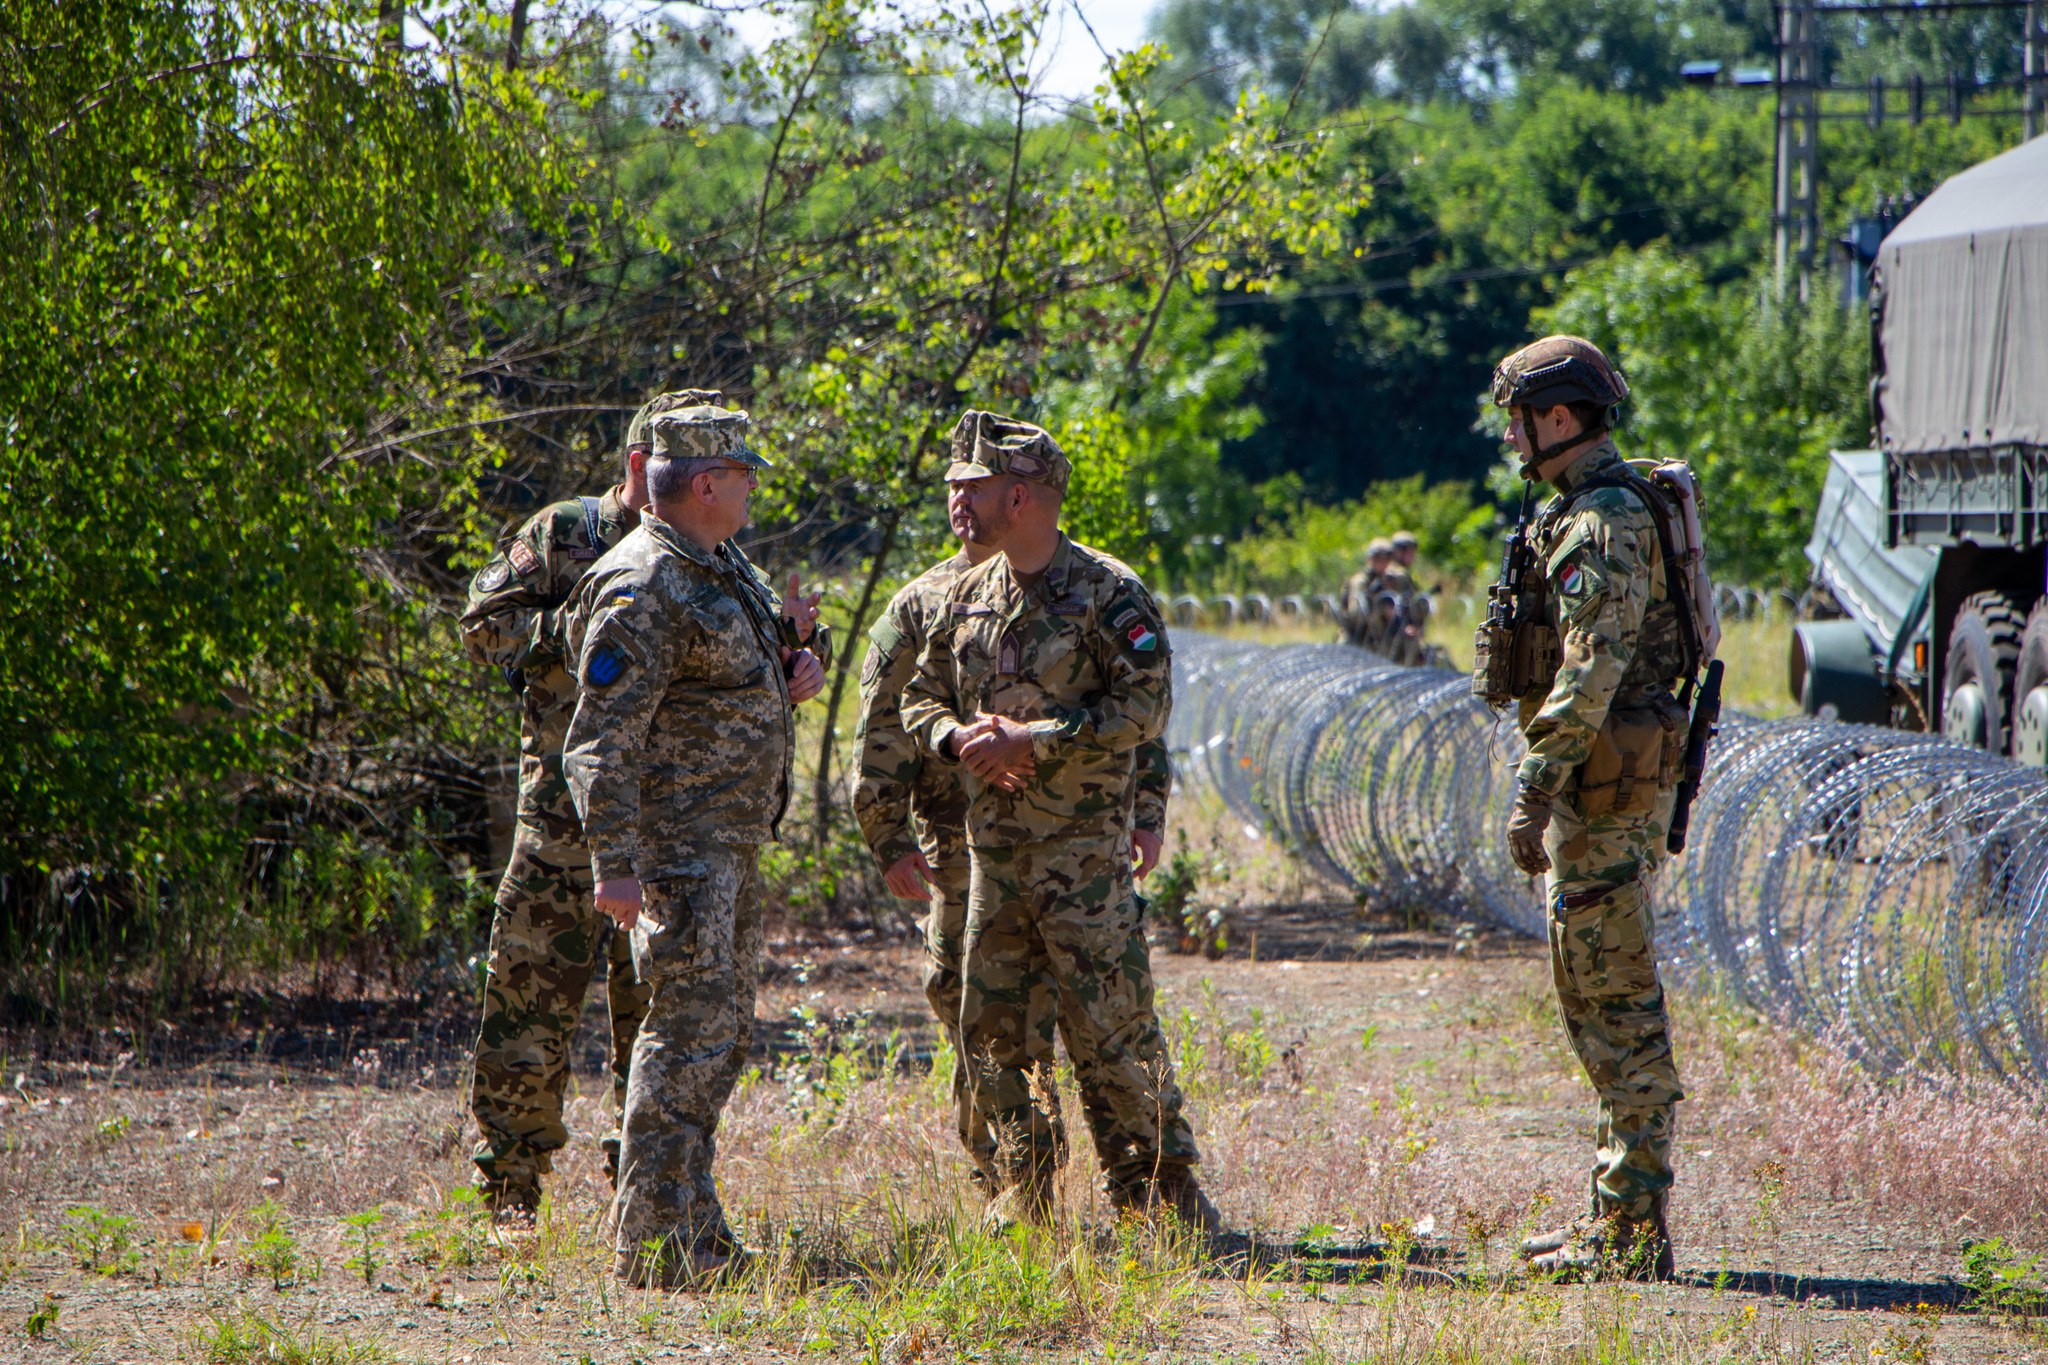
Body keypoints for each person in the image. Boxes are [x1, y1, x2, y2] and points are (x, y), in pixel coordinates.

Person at [900, 411, 1218, 1232]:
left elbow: (1145, 706)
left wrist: (1034, 738)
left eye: (975, 486)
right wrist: (954, 735)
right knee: (994, 1034)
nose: (960, 501)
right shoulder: (966, 594)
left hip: (1081, 860)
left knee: (1112, 1028)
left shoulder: (1109, 592)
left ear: (1020, 494)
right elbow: (920, 694)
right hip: (993, 858)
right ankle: (1021, 1197)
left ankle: (1159, 1197)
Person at [563, 402, 827, 1288]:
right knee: (681, 1043)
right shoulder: (643, 583)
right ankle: (652, 1240)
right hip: (679, 855)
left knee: (715, 1039)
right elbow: (599, 739)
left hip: (729, 846)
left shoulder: (717, 565)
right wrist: (615, 864)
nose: (752, 487)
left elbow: (739, 670)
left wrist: (799, 653)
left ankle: (690, 1217)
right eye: (744, 473)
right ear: (707, 484)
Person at [458, 387, 720, 1226]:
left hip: (663, 825)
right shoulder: (566, 533)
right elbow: (483, 623)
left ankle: (637, 1189)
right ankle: (510, 1193)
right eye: (676, 469)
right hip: (564, 823)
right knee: (529, 1008)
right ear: (640, 466)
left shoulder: (699, 551)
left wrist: (802, 656)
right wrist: (574, 631)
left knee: (652, 1016)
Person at [1483, 336, 1688, 1281]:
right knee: (1593, 998)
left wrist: (1535, 786)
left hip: (1600, 791)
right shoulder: (1586, 511)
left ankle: (1633, 1230)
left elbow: (1590, 668)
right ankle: (1615, 1214)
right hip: (1600, 788)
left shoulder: (1602, 520)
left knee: (1618, 1007)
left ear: (1558, 419)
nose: (1513, 438)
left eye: (1520, 420)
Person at [1383, 531, 1432, 666]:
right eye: (1409, 552)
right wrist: (1406, 627)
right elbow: (1393, 605)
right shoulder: (1397, 574)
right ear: (1398, 552)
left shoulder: (1394, 572)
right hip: (1396, 632)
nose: (1413, 556)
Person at [1340, 540, 1395, 651]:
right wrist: (1382, 610)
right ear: (1370, 560)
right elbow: (1356, 614)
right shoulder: (1360, 582)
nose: (1383, 564)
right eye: (1378, 559)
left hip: (1379, 640)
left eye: (1386, 560)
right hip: (1356, 640)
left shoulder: (1387, 580)